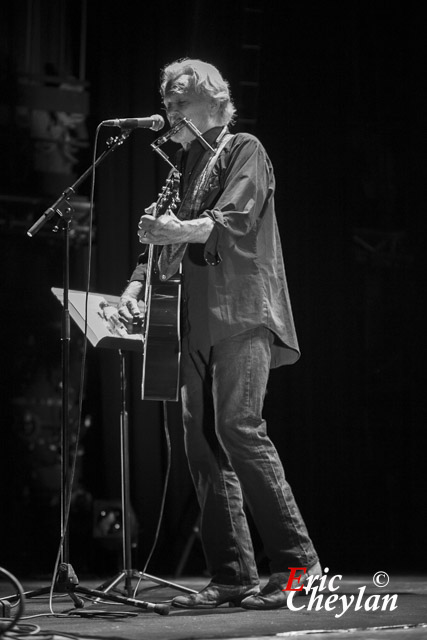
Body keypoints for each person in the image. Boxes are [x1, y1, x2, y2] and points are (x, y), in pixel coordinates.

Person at [118, 58, 321, 610]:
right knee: (201, 448)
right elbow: (157, 238)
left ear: (215, 99)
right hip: (188, 318)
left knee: (239, 430)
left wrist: (176, 228)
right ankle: (232, 575)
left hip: (237, 309)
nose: (170, 111)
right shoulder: (181, 165)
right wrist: (138, 282)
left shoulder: (243, 148)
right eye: (167, 102)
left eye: (180, 100)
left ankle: (301, 570)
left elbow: (235, 215)